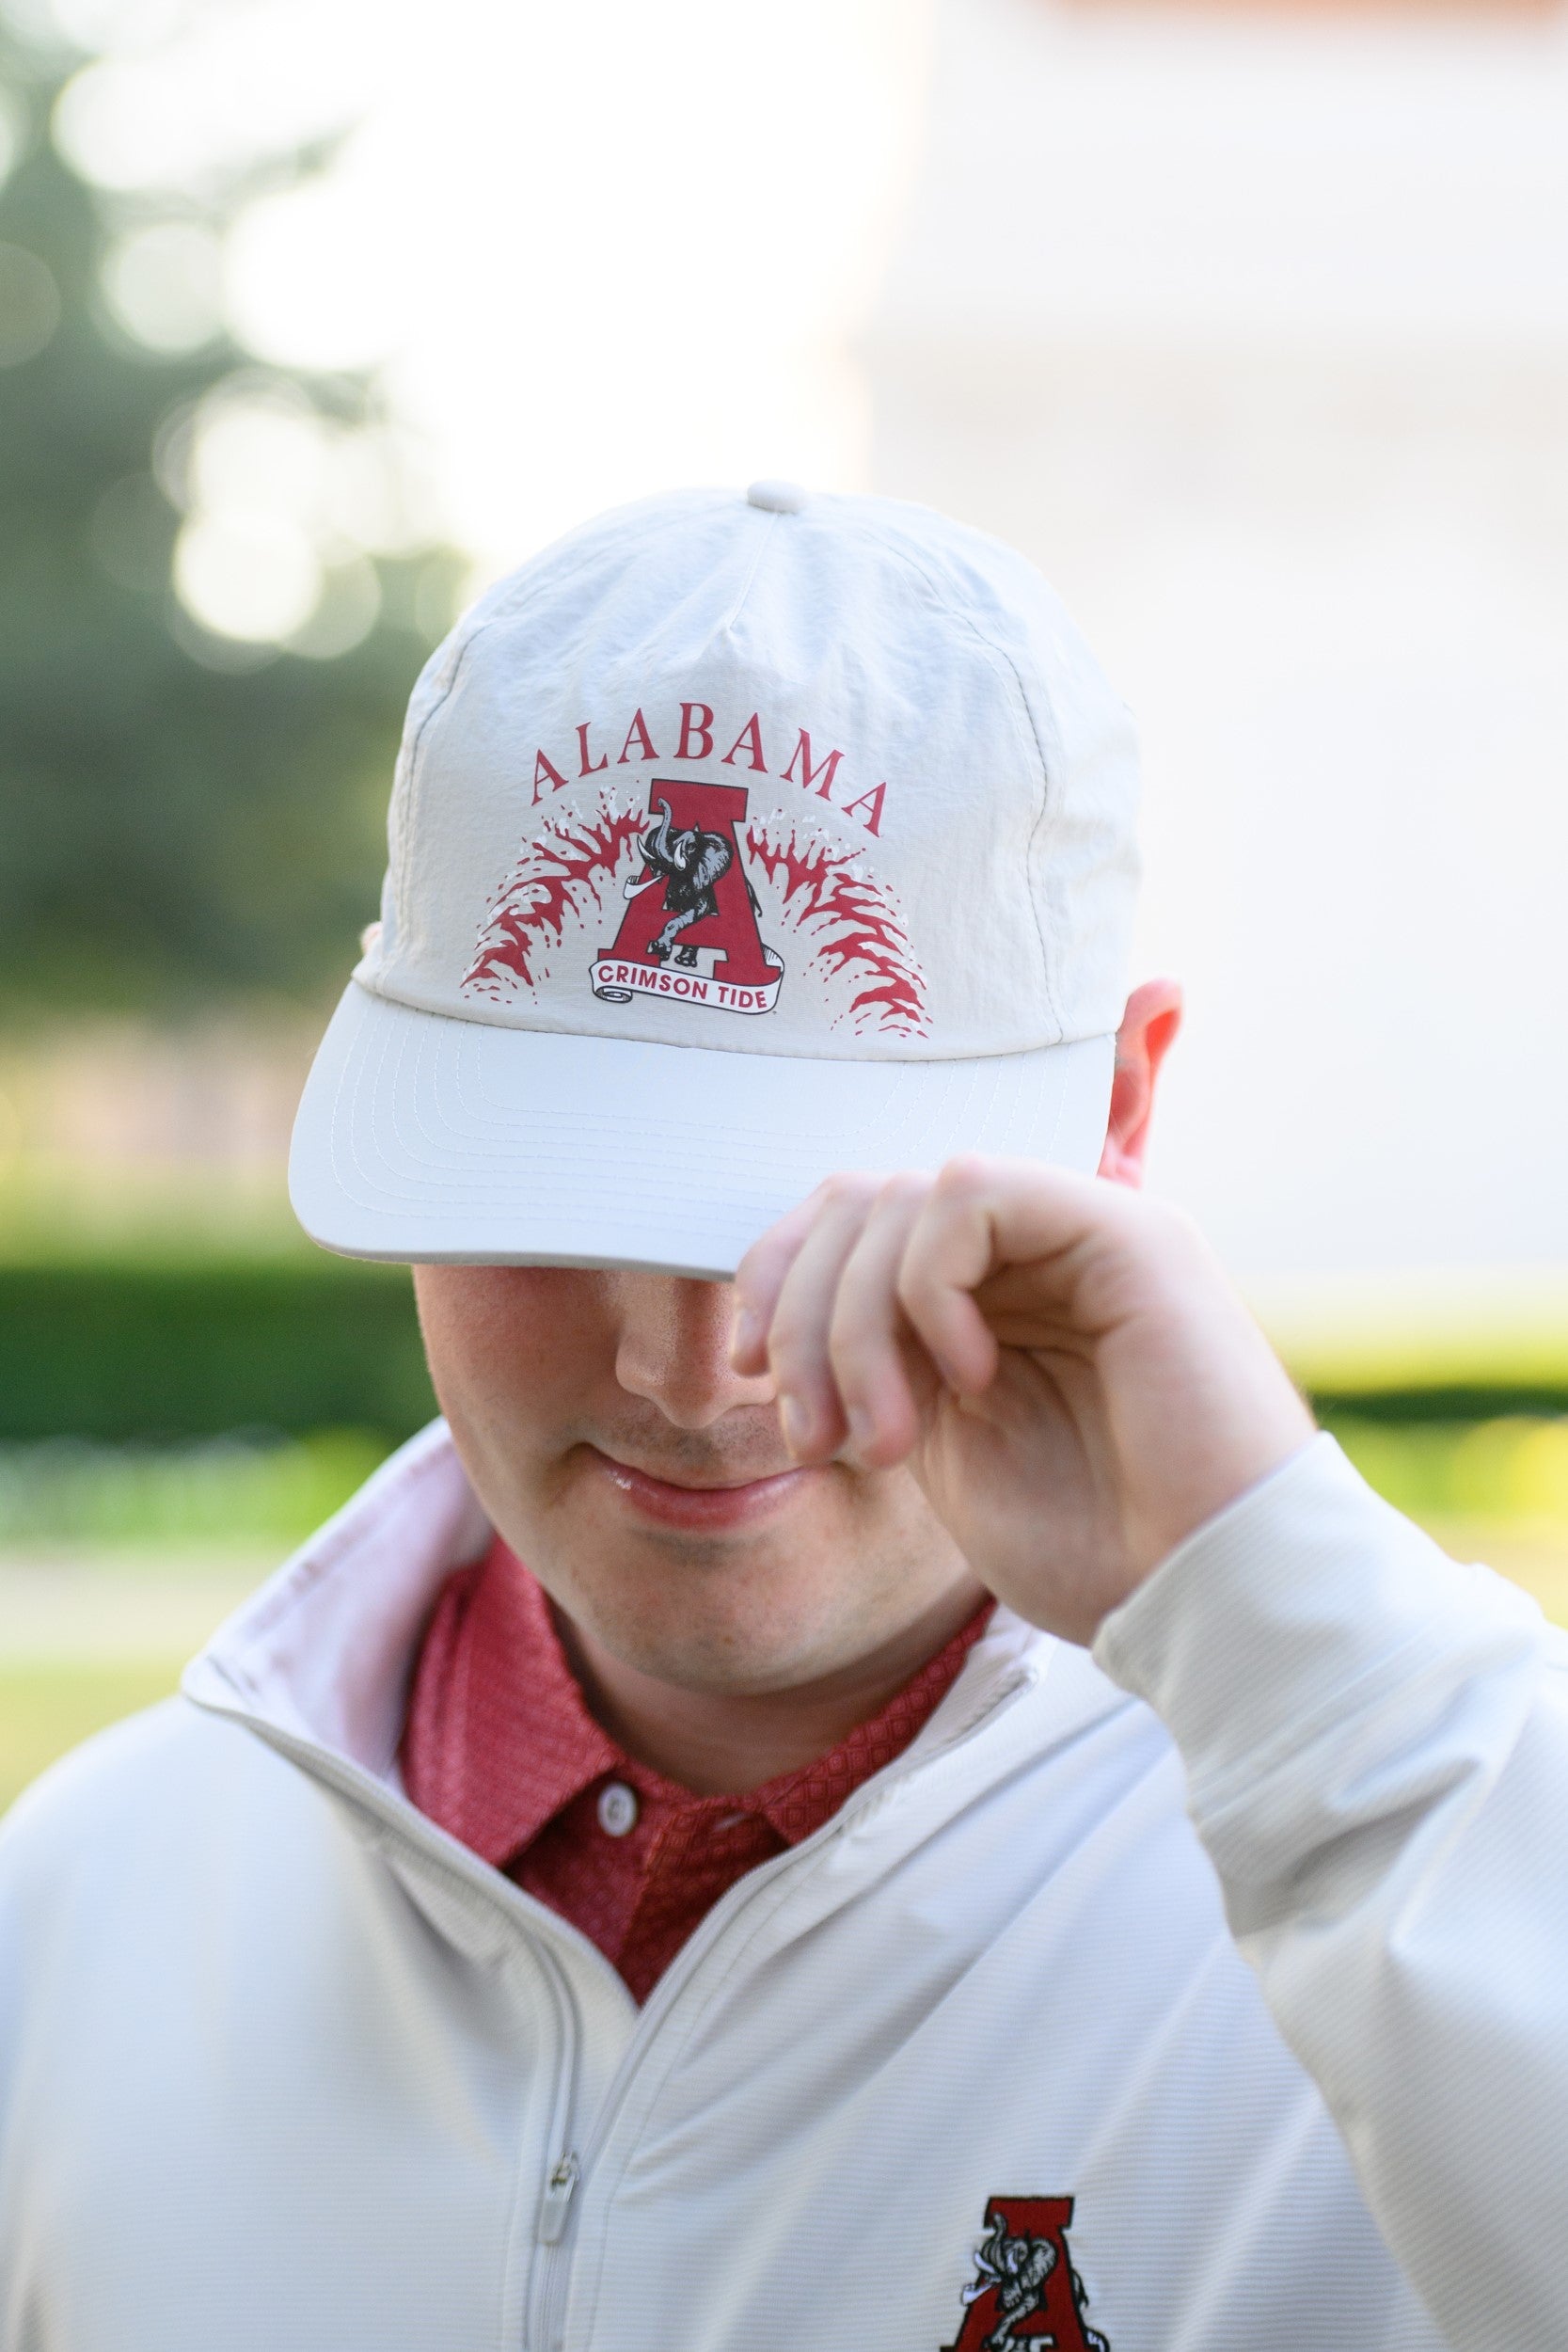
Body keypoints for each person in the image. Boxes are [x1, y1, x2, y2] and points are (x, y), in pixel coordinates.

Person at [1, 482, 1563, 2352]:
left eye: (836, 1209)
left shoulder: (1389, 1889)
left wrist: (1314, 1675)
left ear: (1121, 1112)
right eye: (551, 1190)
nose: (691, 1367)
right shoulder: (81, 1917)